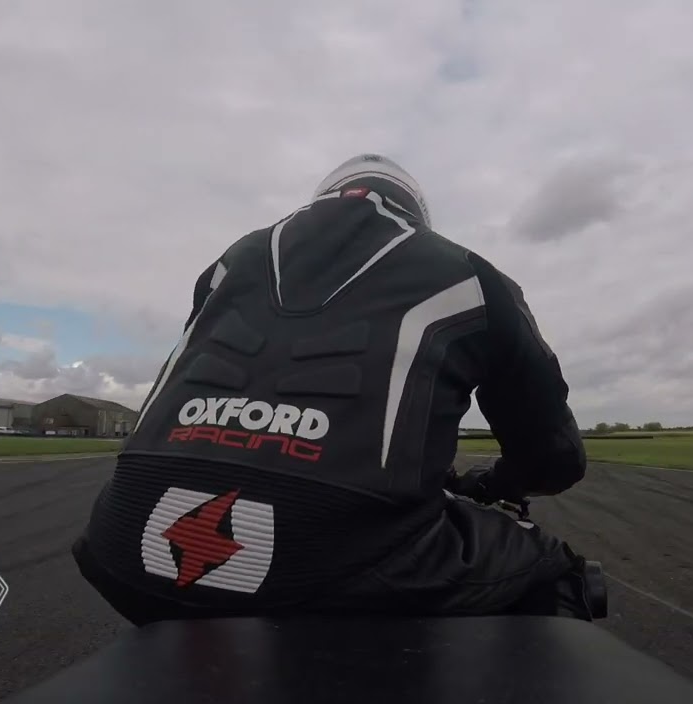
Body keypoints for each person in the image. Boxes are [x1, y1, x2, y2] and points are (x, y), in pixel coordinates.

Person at [72, 153, 590, 624]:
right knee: (556, 569)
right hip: (337, 564)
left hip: (122, 545)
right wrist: (497, 483)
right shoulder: (473, 274)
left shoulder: (230, 262)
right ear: (418, 213)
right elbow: (554, 457)